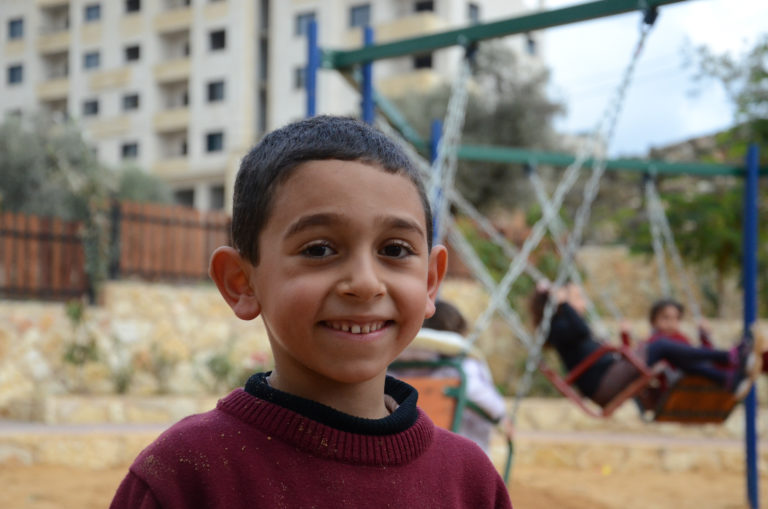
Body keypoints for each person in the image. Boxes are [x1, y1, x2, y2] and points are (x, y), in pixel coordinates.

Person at [110, 116, 512, 509]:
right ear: (241, 282)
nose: (366, 283)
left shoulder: (471, 481)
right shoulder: (184, 477)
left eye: (394, 250)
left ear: (429, 281)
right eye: (319, 249)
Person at [529, 282, 760, 407]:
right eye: (577, 297)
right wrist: (562, 302)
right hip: (602, 385)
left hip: (608, 375)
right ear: (562, 302)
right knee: (660, 346)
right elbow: (581, 330)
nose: (583, 301)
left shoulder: (564, 324)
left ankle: (726, 378)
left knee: (665, 352)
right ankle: (729, 357)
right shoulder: (558, 326)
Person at [391, 300, 510, 454]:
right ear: (458, 331)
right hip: (458, 450)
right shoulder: (460, 367)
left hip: (406, 448)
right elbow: (479, 393)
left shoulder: (394, 366)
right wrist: (501, 416)